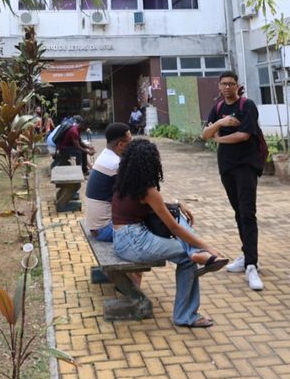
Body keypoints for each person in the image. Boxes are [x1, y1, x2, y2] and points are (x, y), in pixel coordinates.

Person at [111, 138, 228, 328]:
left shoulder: (124, 180)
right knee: (187, 258)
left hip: (122, 238)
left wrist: (176, 205)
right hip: (135, 242)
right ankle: (186, 315)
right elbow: (174, 228)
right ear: (151, 163)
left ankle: (197, 254)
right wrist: (207, 245)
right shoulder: (148, 191)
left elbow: (162, 213)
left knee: (177, 216)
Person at [201, 70, 265, 291]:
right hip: (226, 168)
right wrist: (221, 123)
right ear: (219, 86)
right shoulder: (218, 109)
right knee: (238, 212)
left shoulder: (247, 106)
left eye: (231, 84)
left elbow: (244, 135)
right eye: (224, 84)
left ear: (238, 86)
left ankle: (252, 266)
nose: (227, 87)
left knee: (248, 213)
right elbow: (204, 135)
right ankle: (247, 255)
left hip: (246, 166)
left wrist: (220, 137)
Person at [84, 122, 133, 242]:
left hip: (96, 227)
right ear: (121, 144)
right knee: (153, 225)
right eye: (130, 141)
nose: (133, 144)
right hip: (105, 229)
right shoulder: (115, 164)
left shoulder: (105, 155)